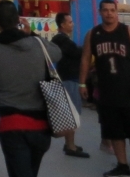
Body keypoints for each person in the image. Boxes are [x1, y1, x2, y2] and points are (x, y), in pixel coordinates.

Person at [0, 0, 61, 177]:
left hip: (10, 124)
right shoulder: (37, 45)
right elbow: (57, 53)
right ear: (18, 20)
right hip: (41, 124)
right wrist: (33, 34)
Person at [80, 0, 130, 177]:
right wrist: (81, 82)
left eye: (112, 10)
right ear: (100, 12)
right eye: (105, 10)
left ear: (117, 12)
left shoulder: (128, 33)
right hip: (107, 91)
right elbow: (86, 58)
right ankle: (122, 165)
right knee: (114, 132)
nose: (109, 13)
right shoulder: (93, 34)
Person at [51, 13, 89, 159]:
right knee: (72, 114)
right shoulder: (62, 40)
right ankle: (70, 146)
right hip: (69, 79)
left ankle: (70, 143)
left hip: (68, 78)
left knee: (71, 113)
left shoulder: (62, 40)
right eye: (70, 22)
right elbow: (77, 52)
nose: (72, 24)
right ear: (62, 25)